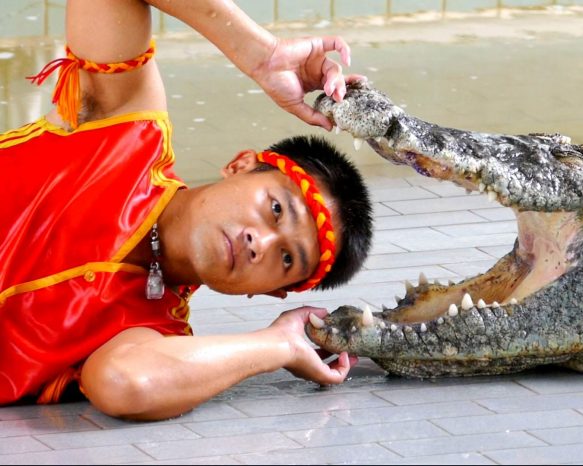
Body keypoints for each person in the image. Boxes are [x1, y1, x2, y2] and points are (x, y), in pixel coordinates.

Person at [0, 0, 373, 421]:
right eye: (274, 209)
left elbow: (125, 382)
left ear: (270, 291)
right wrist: (262, 53)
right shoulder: (122, 128)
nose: (260, 242)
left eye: (286, 258)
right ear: (239, 165)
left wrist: (279, 345)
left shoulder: (153, 336)